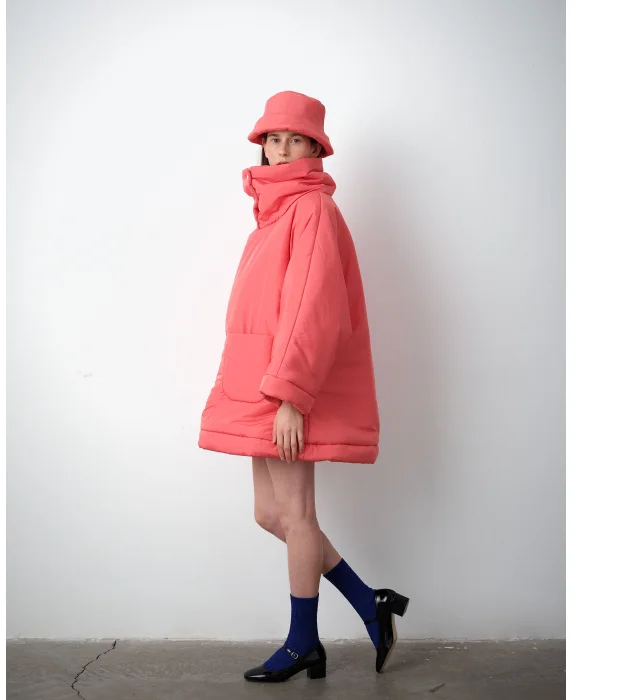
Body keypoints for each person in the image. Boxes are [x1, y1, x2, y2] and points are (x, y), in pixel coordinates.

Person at [198, 91, 410, 683]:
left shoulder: (311, 208)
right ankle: (370, 603)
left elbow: (312, 307)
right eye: (274, 138)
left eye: (296, 139)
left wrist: (291, 395)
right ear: (262, 146)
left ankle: (303, 641)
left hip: (284, 390)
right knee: (271, 514)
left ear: (315, 149)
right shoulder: (272, 213)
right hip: (255, 384)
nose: (283, 148)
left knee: (296, 515)